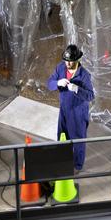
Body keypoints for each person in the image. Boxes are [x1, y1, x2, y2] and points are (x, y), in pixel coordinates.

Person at [46, 44, 94, 172]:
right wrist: (57, 83)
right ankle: (63, 160)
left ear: (77, 60)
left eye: (70, 61)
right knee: (62, 136)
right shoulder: (60, 68)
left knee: (78, 140)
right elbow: (49, 84)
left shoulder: (84, 75)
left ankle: (78, 166)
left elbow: (90, 96)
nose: (67, 64)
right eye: (66, 61)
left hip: (78, 112)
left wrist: (77, 89)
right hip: (64, 110)